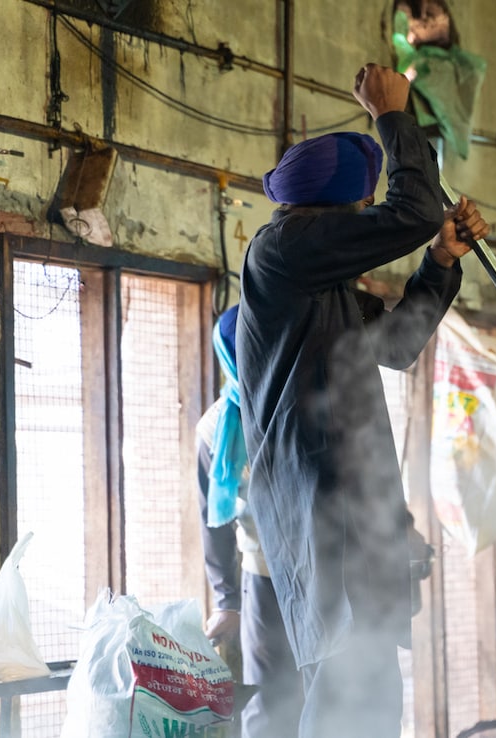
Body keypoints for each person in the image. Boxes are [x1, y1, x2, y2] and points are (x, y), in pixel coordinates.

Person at [237, 61, 489, 738]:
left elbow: (401, 343)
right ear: (328, 216)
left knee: (367, 687)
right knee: (348, 688)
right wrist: (391, 115)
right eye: (355, 216)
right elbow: (407, 210)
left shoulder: (324, 290)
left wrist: (439, 262)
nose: (360, 230)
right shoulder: (281, 249)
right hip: (321, 508)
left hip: (350, 510)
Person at [196, 304, 302, 738]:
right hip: (267, 578)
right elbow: (213, 521)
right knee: (271, 699)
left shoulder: (298, 406)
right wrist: (227, 600)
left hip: (315, 571)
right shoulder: (215, 431)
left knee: (306, 695)